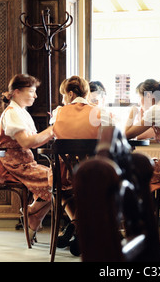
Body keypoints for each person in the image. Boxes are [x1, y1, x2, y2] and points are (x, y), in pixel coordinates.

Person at [52, 76, 114, 252]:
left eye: (63, 95)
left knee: (58, 187)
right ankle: (82, 229)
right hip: (93, 173)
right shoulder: (100, 113)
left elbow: (54, 135)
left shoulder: (58, 113)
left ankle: (75, 225)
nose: (63, 100)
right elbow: (113, 136)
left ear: (70, 94)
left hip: (64, 175)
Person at [0, 74, 54, 244]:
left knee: (59, 178)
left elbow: (34, 143)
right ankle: (31, 214)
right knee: (56, 179)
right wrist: (53, 129)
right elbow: (28, 142)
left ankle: (31, 214)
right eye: (31, 91)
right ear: (16, 92)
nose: (35, 96)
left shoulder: (21, 112)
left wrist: (54, 129)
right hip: (12, 166)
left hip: (25, 163)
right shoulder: (12, 113)